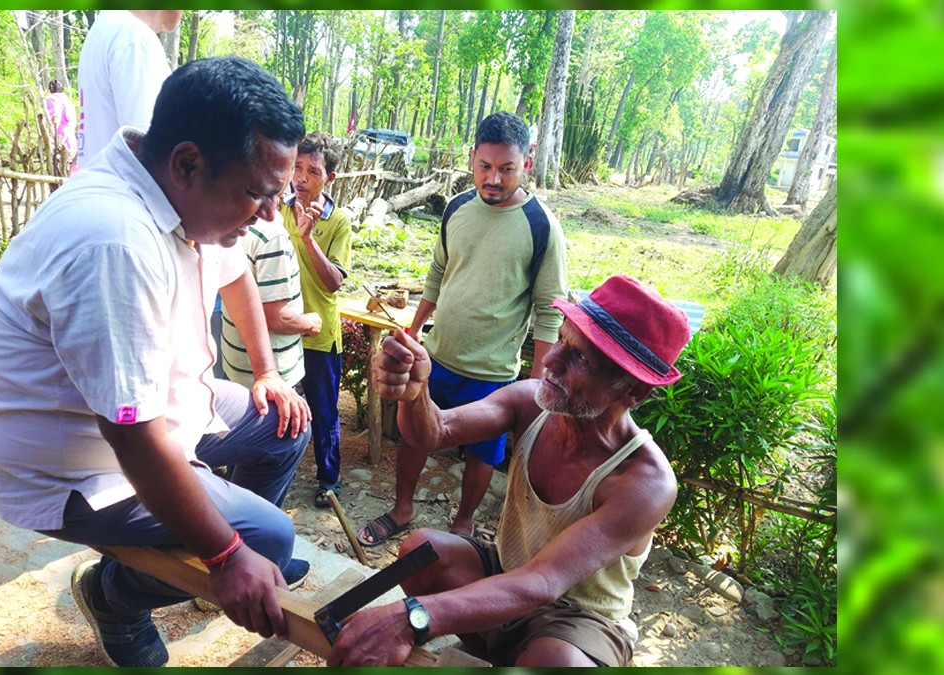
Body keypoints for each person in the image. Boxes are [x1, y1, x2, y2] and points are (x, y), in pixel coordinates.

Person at [0, 56, 312, 668]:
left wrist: (265, 373)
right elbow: (131, 435)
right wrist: (227, 555)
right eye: (259, 194)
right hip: (76, 469)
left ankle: (198, 540)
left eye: (278, 195)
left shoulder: (181, 199)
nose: (269, 215)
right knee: (269, 536)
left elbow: (236, 275)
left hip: (162, 414)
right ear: (187, 162)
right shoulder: (115, 242)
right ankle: (115, 595)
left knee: (286, 423)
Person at [328, 275, 693, 667]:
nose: (551, 362)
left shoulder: (644, 481)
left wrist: (411, 618)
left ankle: (524, 651)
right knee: (421, 550)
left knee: (556, 661)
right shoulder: (530, 404)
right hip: (510, 573)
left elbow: (544, 582)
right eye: (561, 342)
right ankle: (499, 649)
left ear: (633, 392)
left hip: (578, 617)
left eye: (580, 358)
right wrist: (415, 394)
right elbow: (435, 431)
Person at [358, 111, 567, 546]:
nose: (493, 179)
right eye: (485, 167)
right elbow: (437, 273)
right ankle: (402, 509)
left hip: (493, 372)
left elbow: (550, 310)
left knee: (482, 453)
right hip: (437, 356)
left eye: (506, 169)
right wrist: (414, 333)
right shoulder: (456, 208)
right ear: (471, 159)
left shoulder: (542, 226)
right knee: (415, 436)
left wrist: (536, 386)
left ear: (525, 164)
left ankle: (463, 526)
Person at [281, 131, 353, 507]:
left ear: (330, 179)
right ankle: (276, 469)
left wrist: (309, 240)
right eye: (297, 167)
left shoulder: (338, 221)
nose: (302, 177)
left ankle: (329, 479)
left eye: (312, 170)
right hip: (281, 329)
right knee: (281, 406)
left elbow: (333, 283)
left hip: (319, 334)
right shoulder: (278, 210)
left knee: (324, 411)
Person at [221, 205, 323, 389]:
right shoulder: (272, 235)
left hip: (237, 367)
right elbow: (276, 318)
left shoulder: (229, 218)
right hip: (275, 380)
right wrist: (310, 323)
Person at [75, 10, 182, 168]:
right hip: (125, 189)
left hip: (103, 183)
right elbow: (150, 147)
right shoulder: (133, 37)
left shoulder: (106, 29)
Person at [44, 78, 78, 176]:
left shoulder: (52, 99)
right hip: (70, 137)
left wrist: (53, 138)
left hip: (61, 137)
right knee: (71, 166)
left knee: (60, 166)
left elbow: (55, 118)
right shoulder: (68, 101)